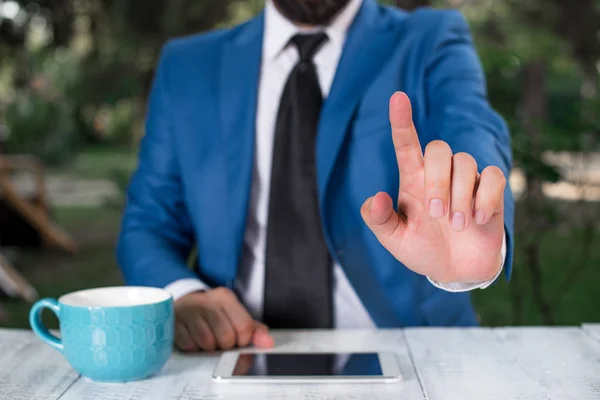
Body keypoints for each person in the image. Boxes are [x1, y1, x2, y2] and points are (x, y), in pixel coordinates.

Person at [117, 0, 514, 352]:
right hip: (234, 350)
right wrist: (186, 296)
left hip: (406, 349)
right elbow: (148, 225)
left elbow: (470, 125)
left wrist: (474, 206)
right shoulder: (188, 66)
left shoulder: (429, 39)